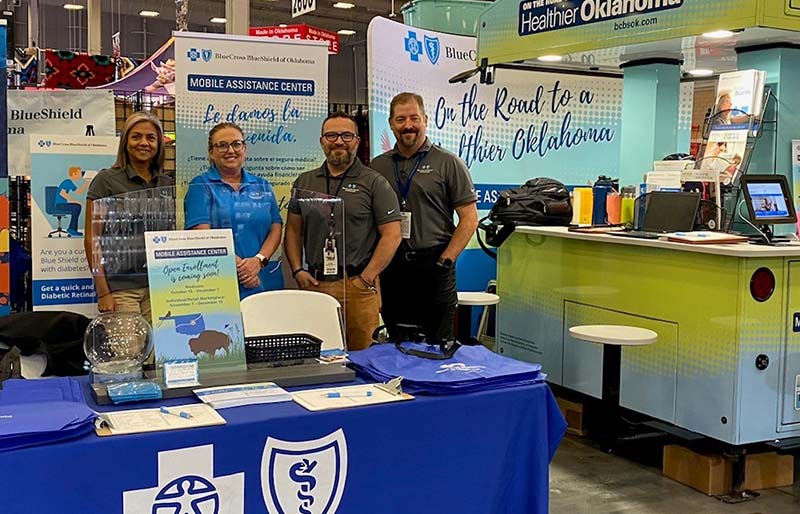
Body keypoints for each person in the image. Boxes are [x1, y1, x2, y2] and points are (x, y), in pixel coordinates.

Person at [285, 112, 402, 350]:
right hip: (315, 284)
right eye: (331, 135)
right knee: (317, 359)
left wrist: (366, 277)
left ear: (358, 141)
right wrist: (298, 270)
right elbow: (293, 231)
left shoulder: (374, 183)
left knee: (364, 359)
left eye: (347, 135)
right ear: (322, 141)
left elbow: (393, 235)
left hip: (357, 286)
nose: (339, 141)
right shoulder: (304, 182)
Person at [370, 92, 479, 343]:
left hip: (434, 265)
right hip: (393, 268)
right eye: (400, 119)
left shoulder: (449, 163)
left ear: (425, 120)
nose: (407, 125)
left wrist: (446, 261)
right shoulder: (377, 167)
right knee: (397, 345)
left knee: (437, 347)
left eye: (413, 118)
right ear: (390, 123)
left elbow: (469, 219)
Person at [85, 111, 174, 319]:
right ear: (125, 142)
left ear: (159, 144)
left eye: (151, 138)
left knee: (160, 351)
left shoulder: (167, 184)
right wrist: (103, 291)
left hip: (160, 286)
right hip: (120, 289)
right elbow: (92, 239)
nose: (144, 143)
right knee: (129, 351)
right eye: (136, 137)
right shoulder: (105, 180)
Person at [184, 122, 283, 300]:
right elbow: (202, 235)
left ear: (244, 149)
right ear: (211, 153)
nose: (231, 150)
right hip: (220, 281)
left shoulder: (262, 185)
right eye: (222, 145)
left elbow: (275, 226)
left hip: (262, 278)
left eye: (236, 144)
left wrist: (258, 261)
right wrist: (244, 271)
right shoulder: (201, 185)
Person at [55, 166, 89, 236]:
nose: (81, 175)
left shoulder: (70, 182)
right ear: (74, 174)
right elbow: (62, 193)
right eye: (79, 173)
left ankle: (72, 229)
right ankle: (72, 229)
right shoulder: (67, 182)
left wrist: (87, 182)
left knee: (77, 206)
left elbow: (79, 192)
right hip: (60, 205)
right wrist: (73, 201)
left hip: (62, 204)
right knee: (76, 207)